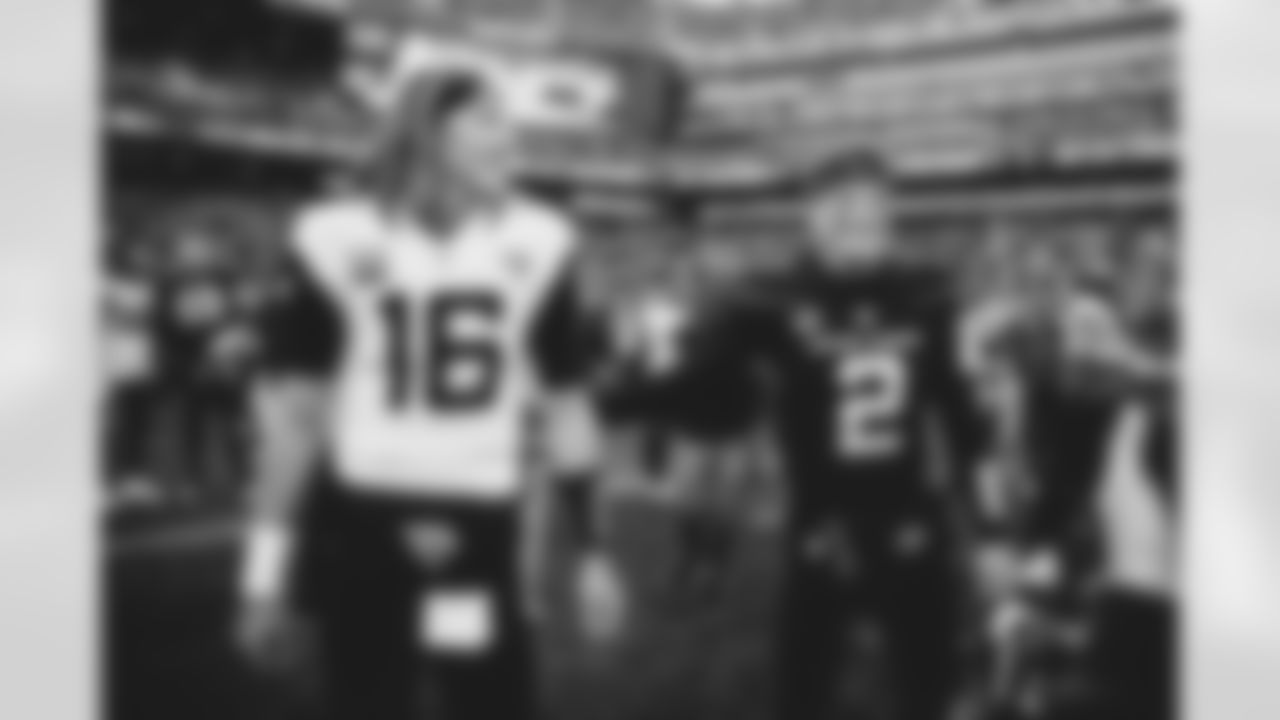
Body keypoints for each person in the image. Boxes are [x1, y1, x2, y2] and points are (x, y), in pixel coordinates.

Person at [234, 70, 627, 720]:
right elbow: (296, 421)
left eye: (508, 121)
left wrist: (593, 552)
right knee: (370, 704)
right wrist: (262, 576)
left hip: (481, 529)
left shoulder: (540, 239)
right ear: (427, 131)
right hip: (364, 527)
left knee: (486, 704)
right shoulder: (335, 235)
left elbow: (567, 406)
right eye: (486, 119)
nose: (511, 137)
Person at [665, 153, 985, 720]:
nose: (859, 223)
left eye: (871, 209)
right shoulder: (769, 300)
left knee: (929, 689)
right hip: (823, 530)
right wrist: (608, 397)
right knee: (804, 691)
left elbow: (958, 413)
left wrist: (988, 525)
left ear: (890, 214)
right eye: (842, 210)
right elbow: (700, 391)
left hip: (909, 525)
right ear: (812, 219)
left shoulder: (928, 295)